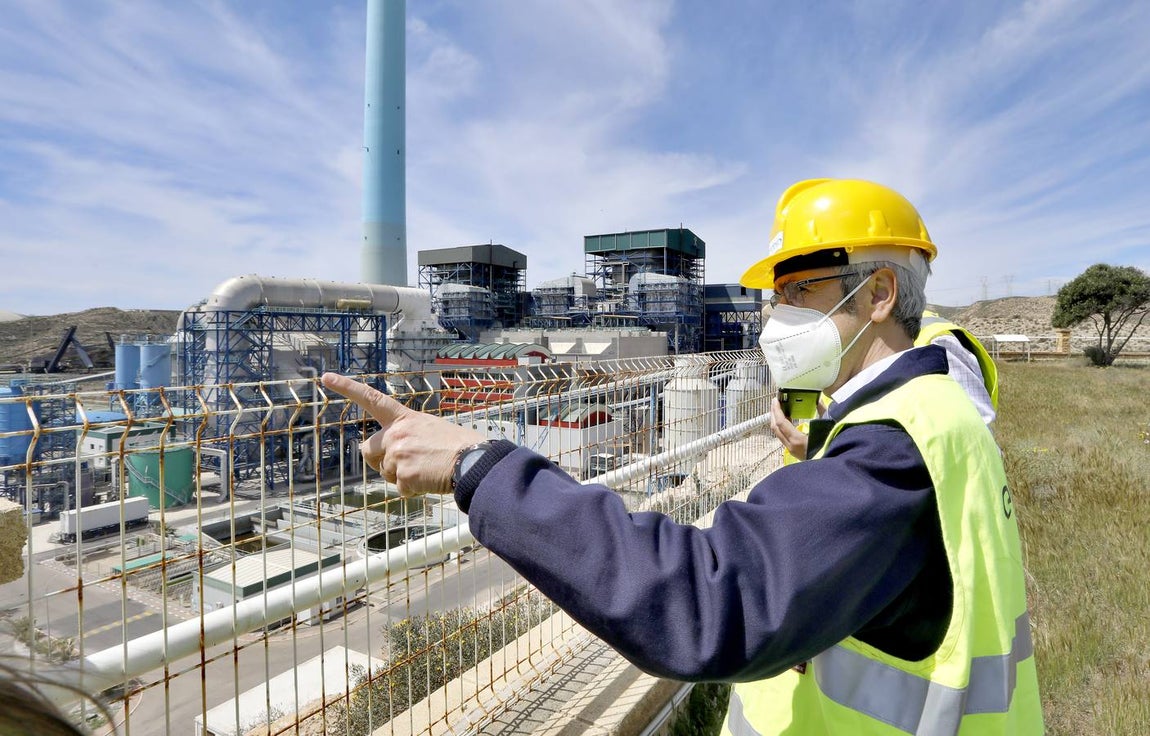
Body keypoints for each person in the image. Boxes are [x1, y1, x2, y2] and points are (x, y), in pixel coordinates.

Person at [322, 178, 1043, 734]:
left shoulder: (896, 449)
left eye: (800, 291)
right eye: (773, 295)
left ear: (880, 293)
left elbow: (708, 601)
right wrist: (824, 447)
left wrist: (479, 466)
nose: (774, 317)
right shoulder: (937, 405)